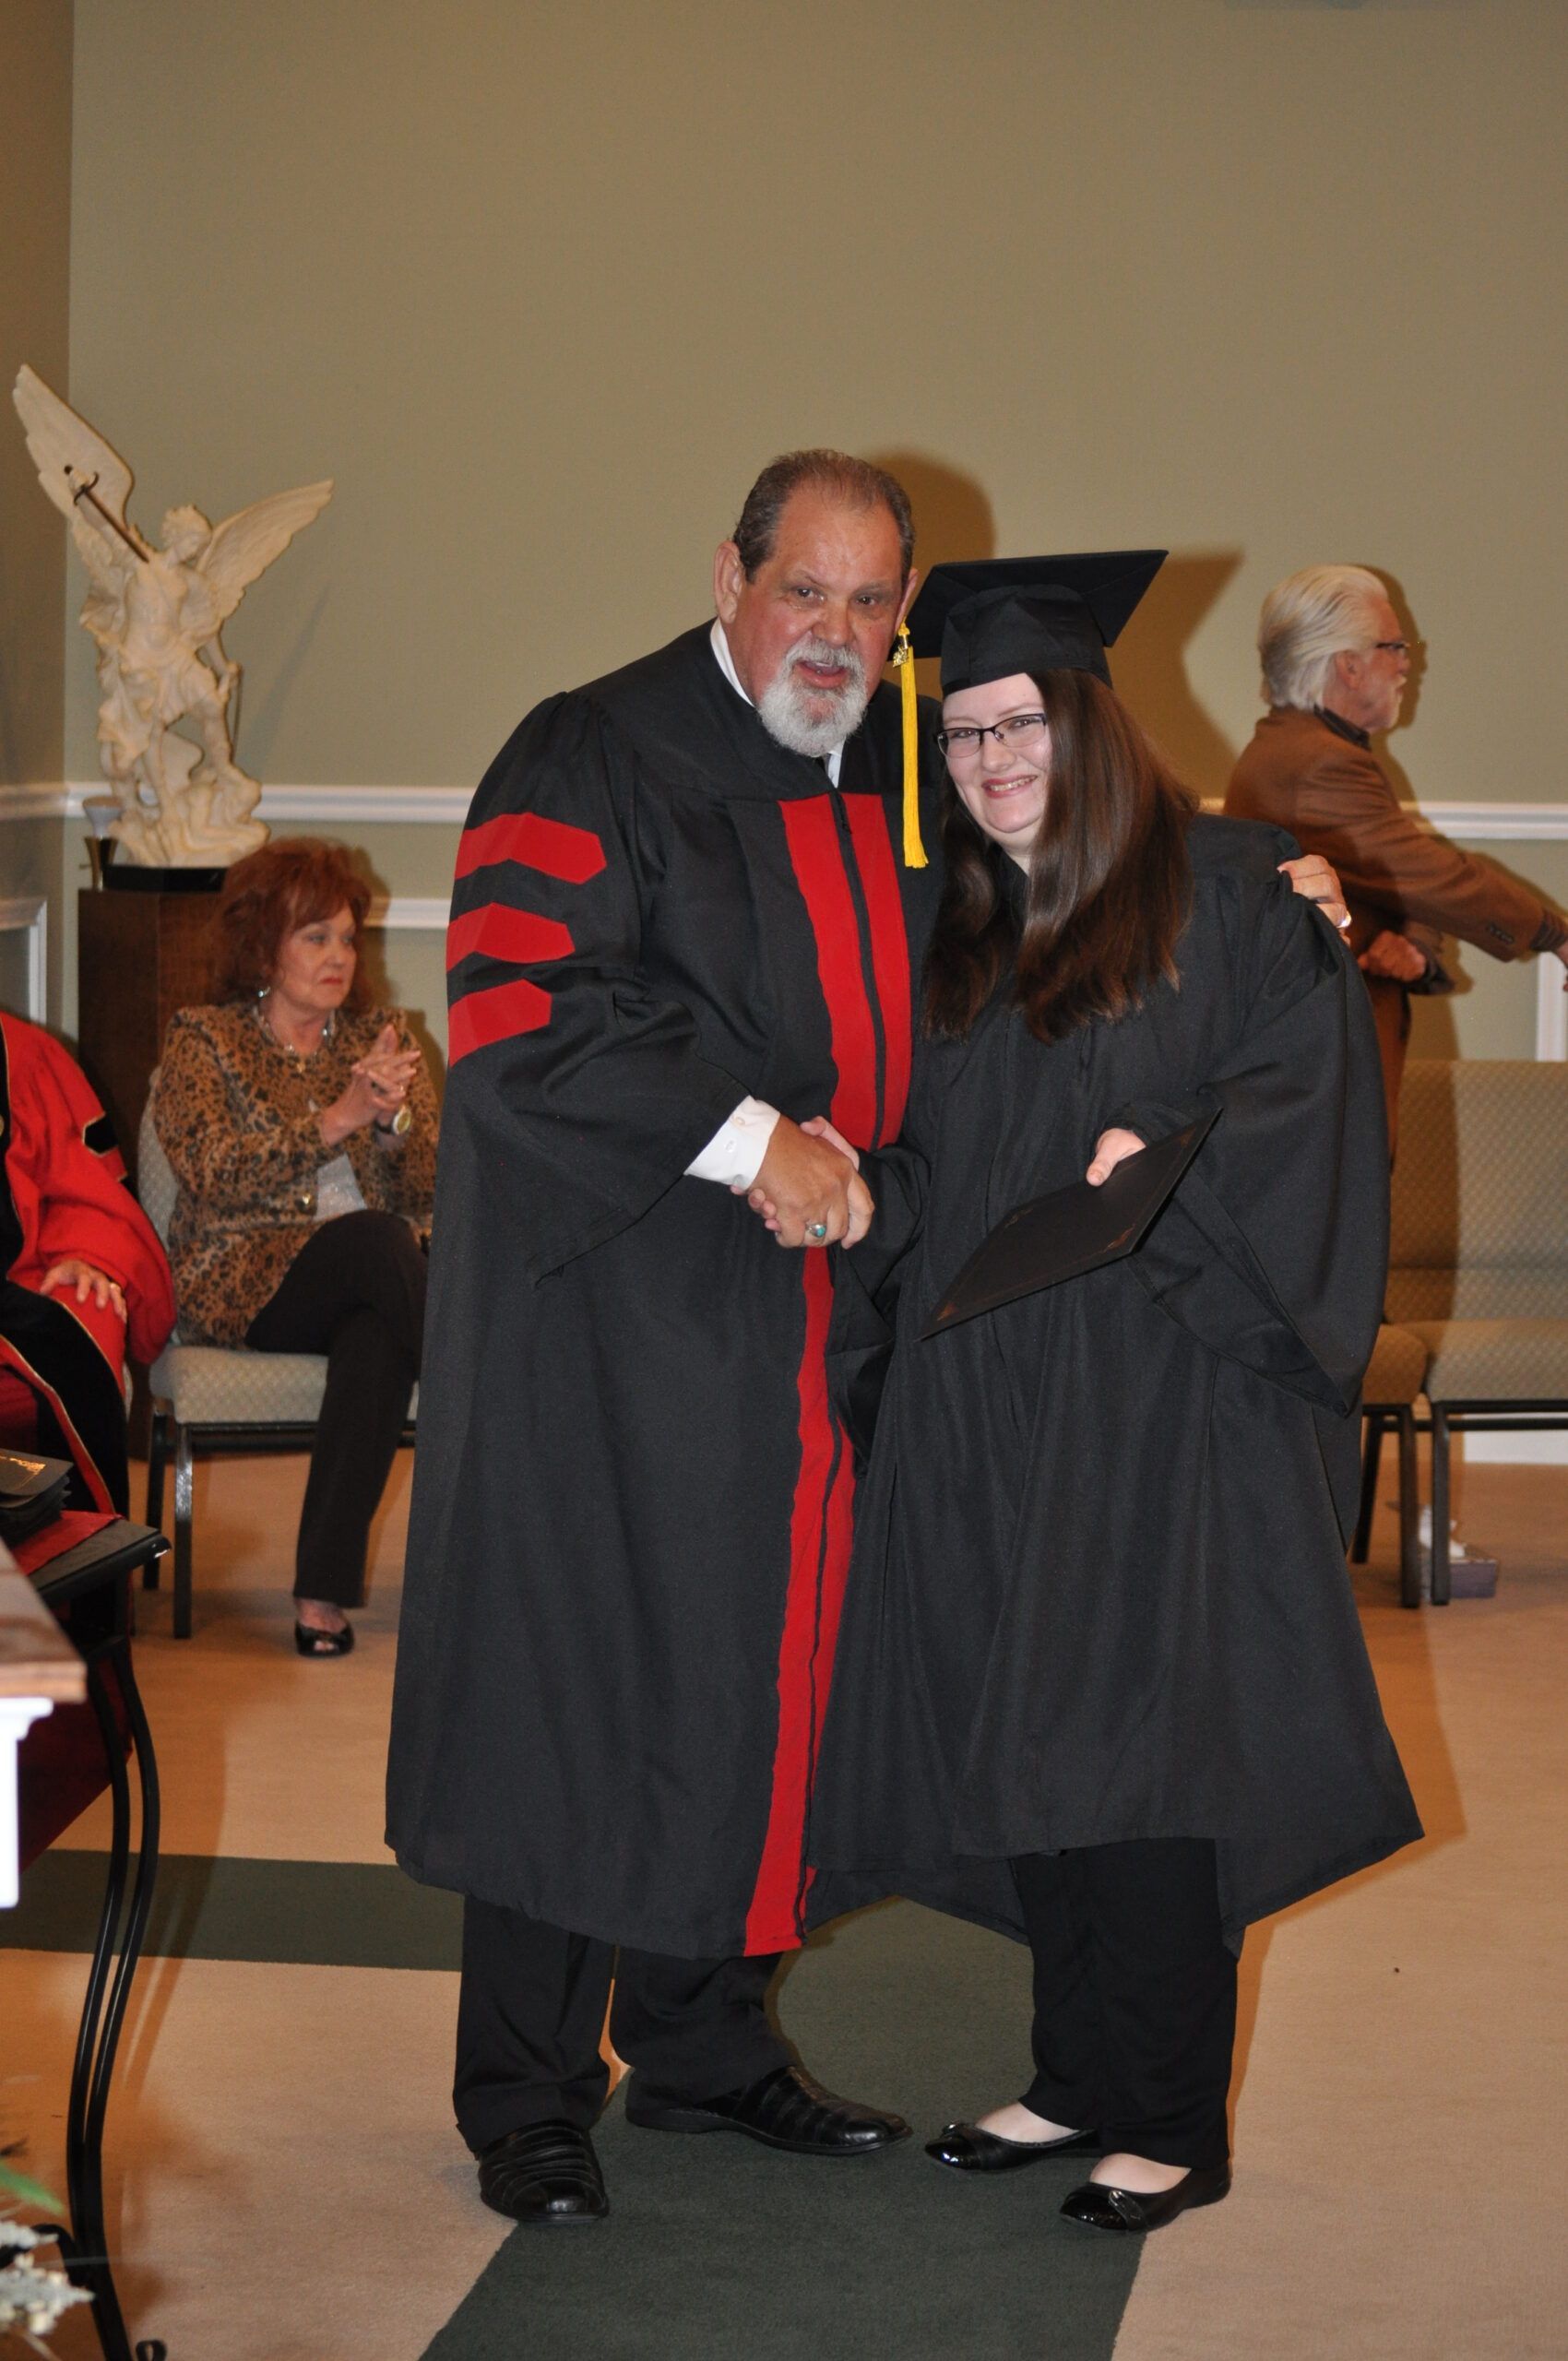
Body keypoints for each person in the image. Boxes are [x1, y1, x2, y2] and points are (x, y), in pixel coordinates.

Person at [384, 453, 1351, 2229]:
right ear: (732, 574)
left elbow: (1085, 871)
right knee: (583, 1689)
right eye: (803, 589)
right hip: (619, 1331)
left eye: (870, 600)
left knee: (765, 1696)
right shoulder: (592, 746)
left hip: (828, 1334)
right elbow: (522, 1012)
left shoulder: (903, 777)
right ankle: (522, 2090)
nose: (835, 631)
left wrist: (1287, 879)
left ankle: (701, 2048)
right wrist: (769, 1145)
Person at [790, 555, 1421, 2237]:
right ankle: (1073, 2074)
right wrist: (863, 1192)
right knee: (1031, 1741)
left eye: (1025, 724)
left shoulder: (1231, 894)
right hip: (990, 1396)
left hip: (1162, 1399)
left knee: (1147, 1757)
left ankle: (1168, 2117)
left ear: (1093, 724)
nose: (996, 759)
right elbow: (935, 1162)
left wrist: (1178, 1174)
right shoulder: (964, 932)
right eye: (970, 732)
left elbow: (1306, 1114)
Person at [150, 838, 436, 1655]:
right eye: (316, 937)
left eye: (348, 938)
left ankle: (321, 1594)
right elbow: (209, 1171)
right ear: (262, 944)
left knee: (378, 1335)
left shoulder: (376, 1038)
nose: (339, 956)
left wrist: (392, 1127)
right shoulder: (204, 1041)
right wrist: (338, 1119)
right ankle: (497, 1428)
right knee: (380, 1245)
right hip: (245, 1278)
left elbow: (431, 1189)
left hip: (372, 1279)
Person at [1227, 564, 1568, 1153]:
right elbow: (1426, 874)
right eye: (1394, 646)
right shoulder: (1317, 763)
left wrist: (1415, 939)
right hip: (1315, 1066)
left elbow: (1390, 878)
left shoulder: (1307, 751)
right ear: (1348, 664)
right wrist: (1554, 933)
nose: (1409, 662)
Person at [0, 1010, 175, 1512]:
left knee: (86, 1314)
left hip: (13, 1286)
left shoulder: (21, 1057)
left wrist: (85, 1254)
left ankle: (80, 1579)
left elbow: (85, 1190)